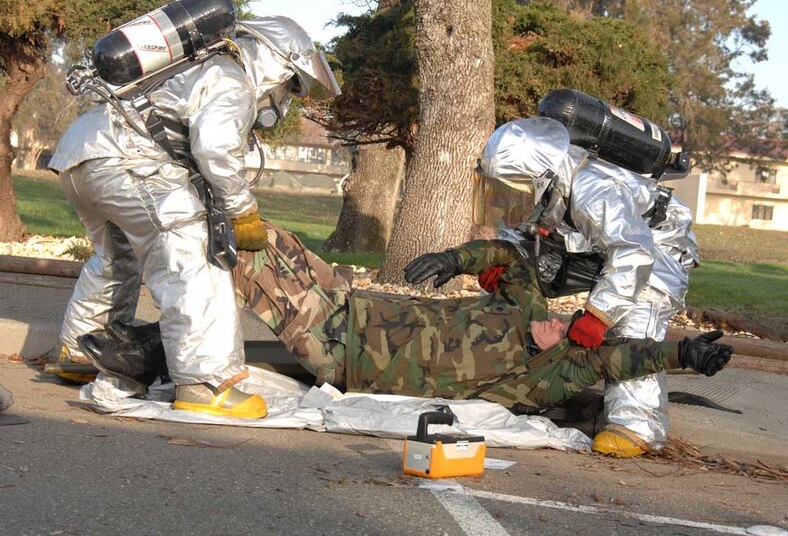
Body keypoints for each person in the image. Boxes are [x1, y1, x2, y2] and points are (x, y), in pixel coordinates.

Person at [77, 221, 731, 415]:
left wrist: (682, 353)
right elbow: (506, 256)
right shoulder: (526, 306)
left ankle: (142, 347)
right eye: (565, 319)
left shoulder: (536, 379)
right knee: (262, 237)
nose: (559, 326)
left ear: (567, 352)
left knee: (246, 270)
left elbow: (619, 356)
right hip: (355, 303)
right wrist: (456, 257)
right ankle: (158, 292)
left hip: (346, 348)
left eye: (569, 333)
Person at [48, 13, 340, 419]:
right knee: (193, 256)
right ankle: (205, 383)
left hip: (82, 154)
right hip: (129, 162)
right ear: (275, 62)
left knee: (116, 257)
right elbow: (215, 150)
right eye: (289, 84)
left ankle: (79, 349)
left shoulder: (197, 66)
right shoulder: (232, 78)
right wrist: (243, 211)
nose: (284, 98)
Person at [472, 116, 700, 456]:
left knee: (633, 319)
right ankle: (508, 372)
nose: (507, 197)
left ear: (540, 176)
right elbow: (520, 228)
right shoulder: (544, 182)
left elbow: (634, 252)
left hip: (656, 246)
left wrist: (598, 316)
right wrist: (503, 263)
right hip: (591, 244)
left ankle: (636, 427)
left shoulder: (594, 189)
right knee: (521, 272)